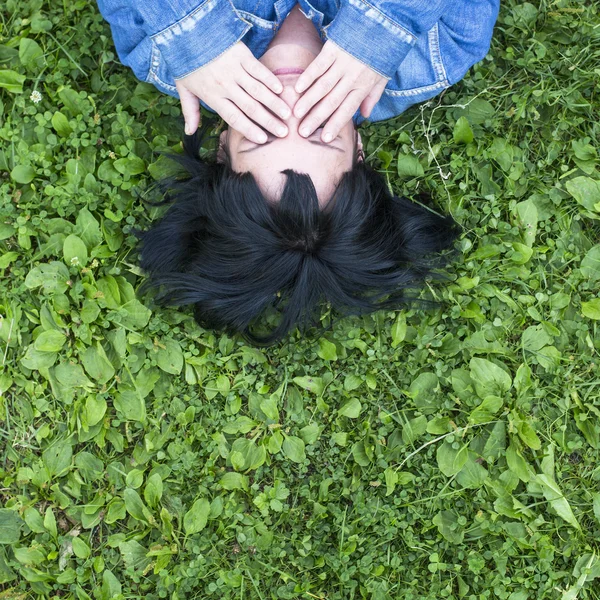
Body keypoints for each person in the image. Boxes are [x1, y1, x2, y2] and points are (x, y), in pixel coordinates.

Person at [96, 0, 500, 345]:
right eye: (320, 132)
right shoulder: (434, 54)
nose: (290, 101)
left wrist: (190, 33)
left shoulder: (158, 52)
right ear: (359, 153)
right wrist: (384, 26)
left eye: (263, 131)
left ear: (222, 148)